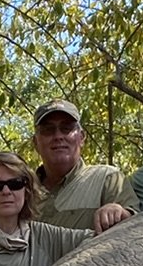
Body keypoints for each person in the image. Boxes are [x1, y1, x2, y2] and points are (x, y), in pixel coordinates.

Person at [30, 98, 135, 233]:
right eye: (48, 130)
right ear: (35, 142)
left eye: (66, 128)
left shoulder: (106, 178)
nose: (58, 136)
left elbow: (137, 229)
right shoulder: (19, 189)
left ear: (82, 137)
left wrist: (120, 212)